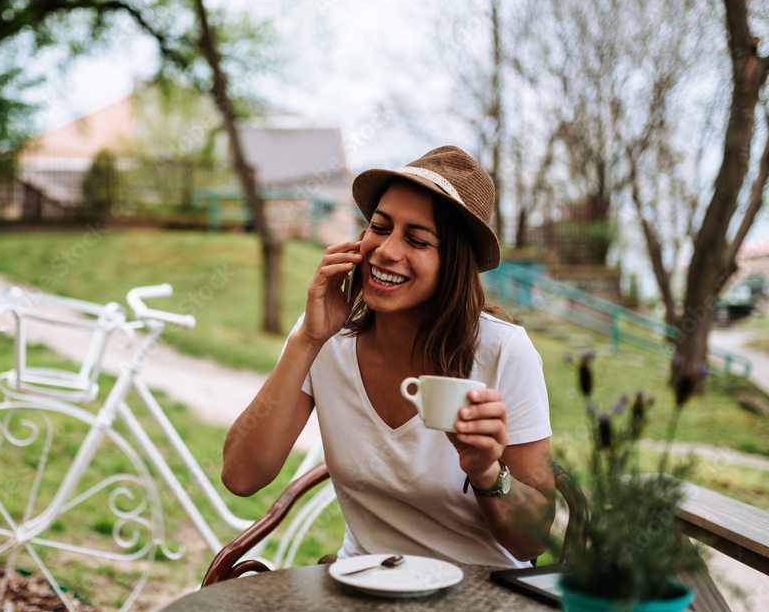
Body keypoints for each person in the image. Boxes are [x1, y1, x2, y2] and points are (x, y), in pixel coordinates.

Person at [222, 146, 555, 568]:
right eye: (379, 227)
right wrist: (307, 339)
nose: (386, 250)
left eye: (416, 239)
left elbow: (534, 541)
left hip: (481, 599)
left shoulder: (503, 352)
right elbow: (240, 476)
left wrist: (487, 472)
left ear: (454, 264)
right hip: (367, 583)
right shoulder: (323, 336)